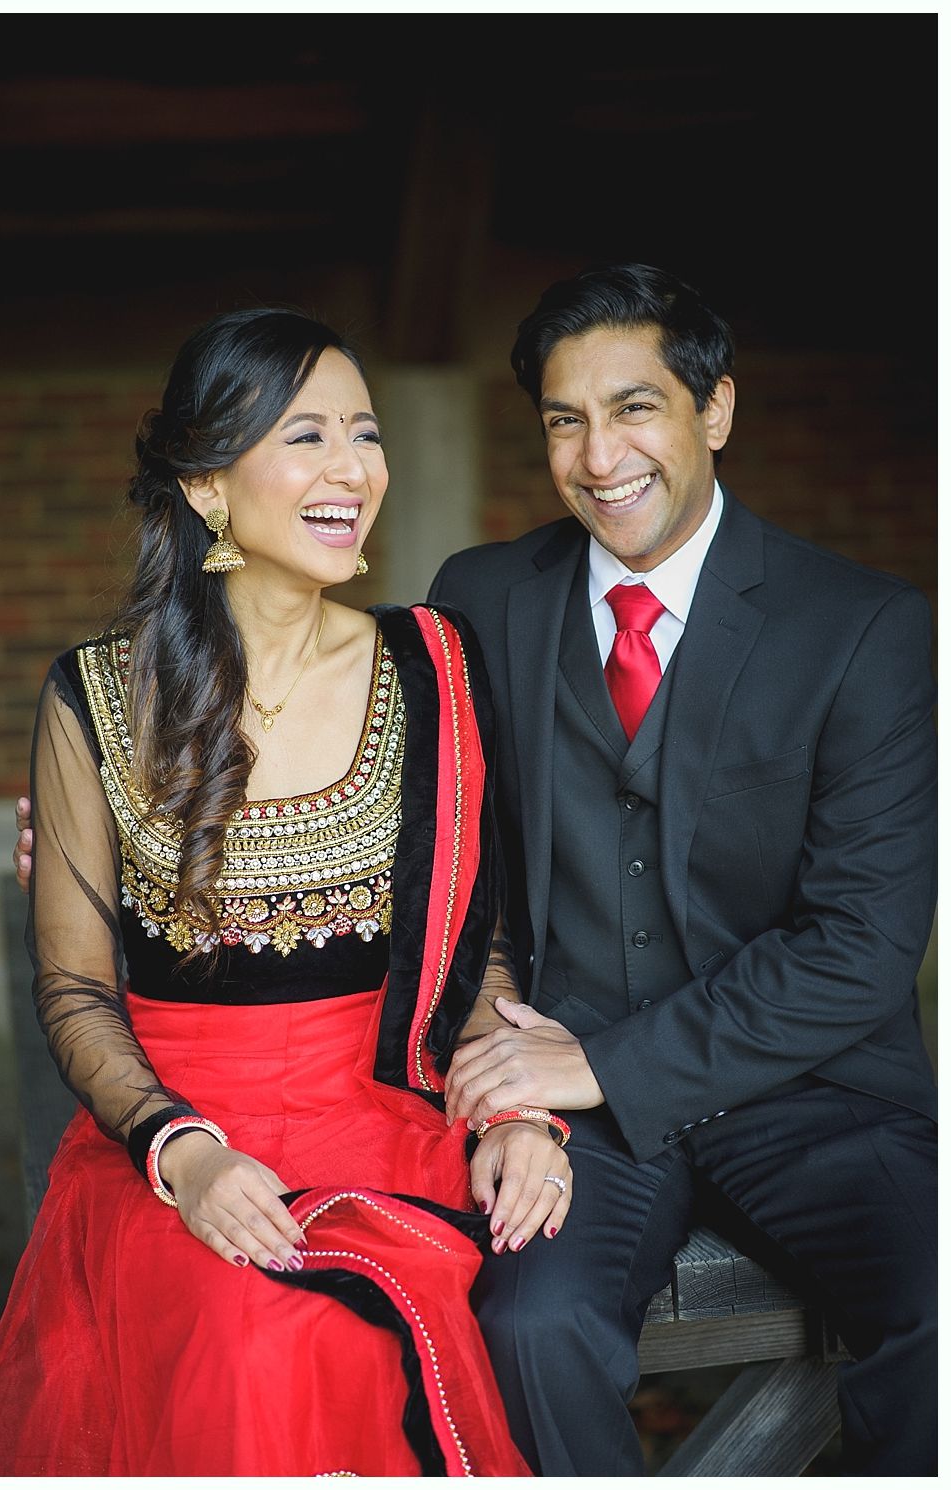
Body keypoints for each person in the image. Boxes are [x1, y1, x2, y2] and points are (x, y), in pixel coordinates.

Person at [0, 308, 574, 1476]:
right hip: (179, 1136)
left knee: (426, 1329)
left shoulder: (434, 664)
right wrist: (186, 1155)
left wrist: (511, 1111)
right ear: (207, 484)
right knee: (245, 1345)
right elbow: (76, 989)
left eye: (366, 432)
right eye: (307, 436)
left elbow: (473, 945)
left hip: (391, 1120)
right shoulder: (95, 696)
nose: (353, 468)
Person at [426, 264, 937, 1475]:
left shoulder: (861, 625)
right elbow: (415, 828)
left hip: (810, 1086)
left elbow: (860, 949)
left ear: (714, 409)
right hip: (569, 1107)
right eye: (564, 419)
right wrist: (124, 814)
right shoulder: (479, 598)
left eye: (635, 407)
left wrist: (607, 1061)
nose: (599, 456)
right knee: (527, 1324)